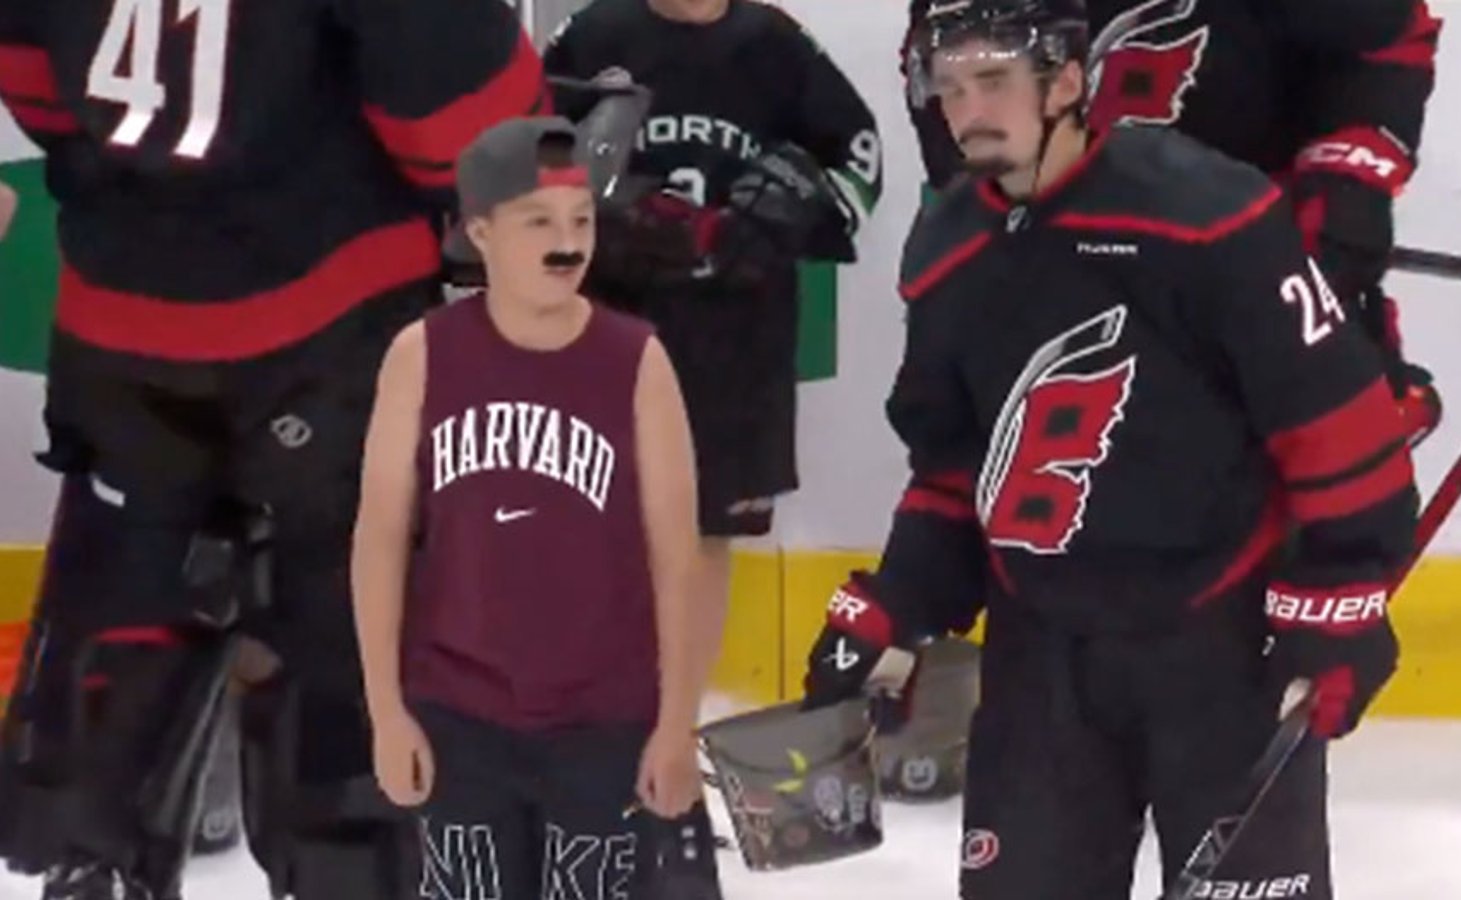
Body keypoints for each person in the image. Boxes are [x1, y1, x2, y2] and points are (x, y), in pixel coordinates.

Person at [802, 1, 1419, 898]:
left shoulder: (1212, 216)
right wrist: (895, 603)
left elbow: (1338, 419)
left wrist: (1343, 597)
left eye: (995, 83)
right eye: (952, 87)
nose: (968, 111)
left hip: (1220, 644)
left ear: (1066, 82)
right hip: (1044, 655)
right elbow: (954, 468)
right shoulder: (945, 249)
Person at [0, 2, 549, 898]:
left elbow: (32, 80)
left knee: (125, 605)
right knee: (342, 643)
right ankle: (347, 867)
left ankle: (90, 853)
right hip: (323, 333)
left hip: (119, 325)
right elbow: (467, 135)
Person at [352, 115, 723, 900]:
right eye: (538, 223)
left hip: (606, 720)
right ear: (479, 232)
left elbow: (675, 557)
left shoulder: (637, 360)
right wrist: (386, 711)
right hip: (456, 714)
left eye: (581, 220)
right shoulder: (422, 356)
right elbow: (380, 539)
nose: (567, 243)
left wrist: (675, 725)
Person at [903, 0, 1445, 449]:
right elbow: (941, 77)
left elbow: (1380, 43)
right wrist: (993, 202)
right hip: (1060, 299)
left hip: (1246, 276)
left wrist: (1351, 181)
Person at [539, 0, 883, 624]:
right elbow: (522, 149)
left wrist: (784, 213)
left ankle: (679, 718)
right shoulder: (594, 34)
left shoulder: (777, 43)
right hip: (607, 335)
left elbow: (859, 159)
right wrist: (596, 222)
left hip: (739, 347)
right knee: (590, 526)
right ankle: (599, 708)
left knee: (705, 538)